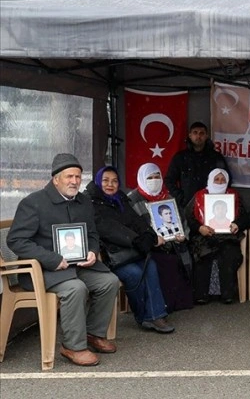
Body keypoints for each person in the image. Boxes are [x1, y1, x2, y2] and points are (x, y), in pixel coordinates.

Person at [8, 154, 120, 366]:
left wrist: (93, 252)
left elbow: (92, 234)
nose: (75, 181)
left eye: (78, 176)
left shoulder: (84, 202)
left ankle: (93, 334)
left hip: (76, 267)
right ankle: (73, 346)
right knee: (75, 289)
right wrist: (52, 259)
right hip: (42, 270)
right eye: (69, 176)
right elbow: (16, 240)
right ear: (55, 179)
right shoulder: (33, 203)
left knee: (109, 282)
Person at [86, 166, 175, 334]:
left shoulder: (120, 199)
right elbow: (108, 228)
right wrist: (135, 240)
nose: (110, 185)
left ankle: (156, 315)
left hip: (131, 251)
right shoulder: (91, 203)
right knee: (134, 273)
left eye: (114, 181)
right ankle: (144, 316)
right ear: (98, 182)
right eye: (105, 181)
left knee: (151, 266)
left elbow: (137, 221)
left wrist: (149, 235)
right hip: (111, 256)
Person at [128, 162, 194, 313]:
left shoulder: (169, 197)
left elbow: (182, 220)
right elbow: (132, 228)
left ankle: (180, 302)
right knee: (163, 261)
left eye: (157, 176)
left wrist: (183, 234)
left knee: (180, 257)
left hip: (172, 243)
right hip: (148, 247)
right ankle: (163, 305)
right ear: (142, 178)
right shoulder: (132, 200)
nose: (154, 180)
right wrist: (151, 239)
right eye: (149, 177)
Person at [186, 168, 249, 304]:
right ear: (210, 180)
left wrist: (237, 224)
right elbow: (189, 218)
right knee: (203, 253)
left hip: (228, 237)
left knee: (229, 254)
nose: (220, 182)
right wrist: (200, 228)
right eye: (217, 179)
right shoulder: (199, 195)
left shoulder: (234, 195)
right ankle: (201, 294)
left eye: (223, 179)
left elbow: (244, 216)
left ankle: (227, 294)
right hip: (204, 236)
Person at [164, 121, 229, 209]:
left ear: (206, 136)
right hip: (186, 205)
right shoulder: (180, 157)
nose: (198, 136)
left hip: (211, 205)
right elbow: (169, 180)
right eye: (195, 133)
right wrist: (181, 198)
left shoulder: (216, 157)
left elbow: (226, 179)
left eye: (202, 133)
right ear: (190, 135)